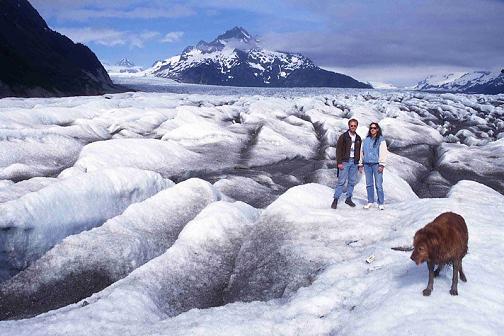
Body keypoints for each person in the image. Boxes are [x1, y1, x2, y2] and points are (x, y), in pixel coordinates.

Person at [331, 118, 361, 209]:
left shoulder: (358, 138)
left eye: (354, 126)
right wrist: (339, 162)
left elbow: (359, 151)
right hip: (345, 162)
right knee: (341, 181)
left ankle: (348, 198)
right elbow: (338, 150)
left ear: (356, 127)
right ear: (349, 126)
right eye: (351, 125)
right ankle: (336, 199)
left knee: (351, 182)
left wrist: (359, 163)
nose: (353, 127)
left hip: (354, 162)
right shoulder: (343, 136)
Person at [359, 122, 388, 210]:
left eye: (375, 128)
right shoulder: (366, 140)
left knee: (378, 184)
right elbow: (361, 152)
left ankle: (381, 202)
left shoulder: (381, 140)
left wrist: (382, 164)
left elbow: (383, 152)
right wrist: (361, 164)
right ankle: (370, 201)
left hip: (376, 164)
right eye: (371, 128)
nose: (373, 129)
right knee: (369, 184)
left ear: (377, 129)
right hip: (367, 164)